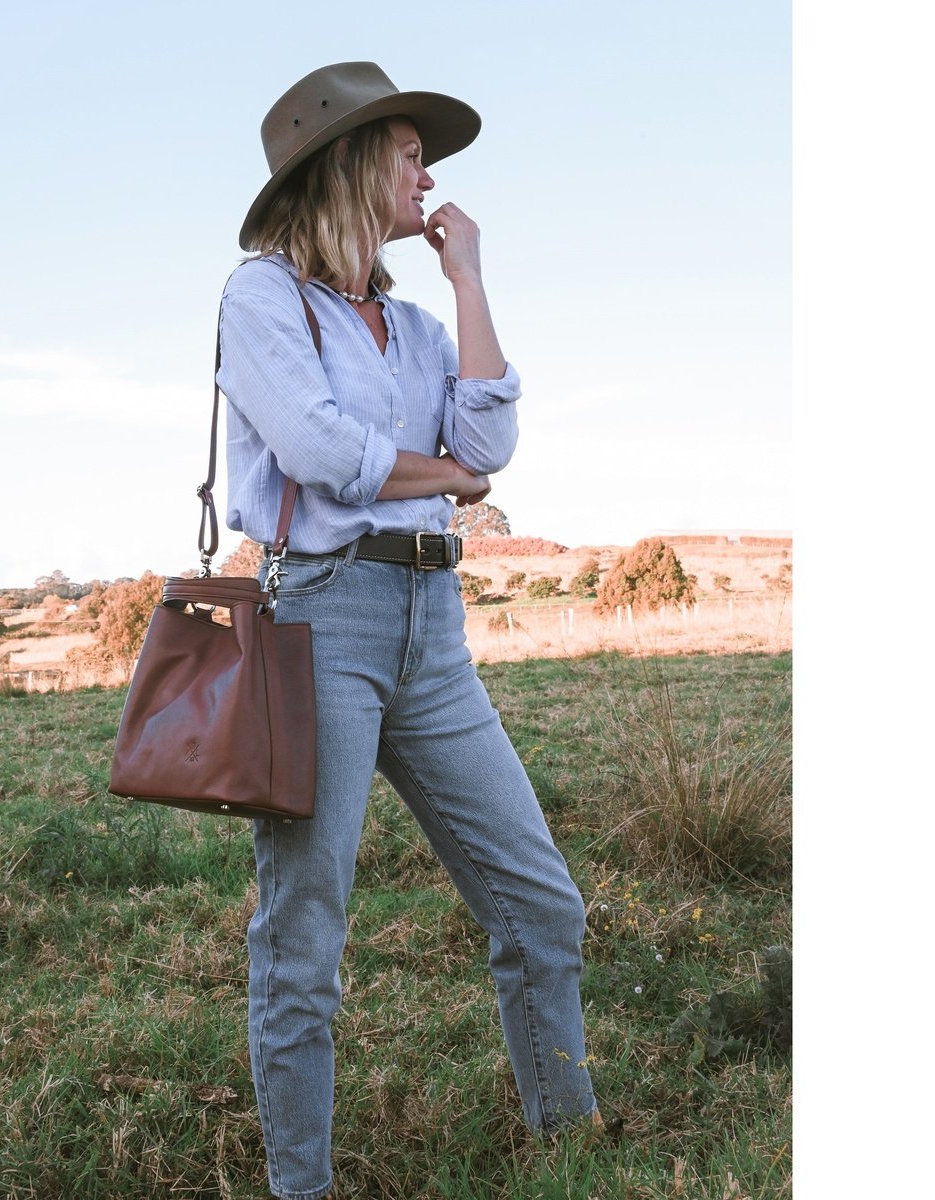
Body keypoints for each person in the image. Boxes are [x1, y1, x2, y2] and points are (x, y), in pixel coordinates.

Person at [215, 62, 597, 1200]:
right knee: (305, 937)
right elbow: (321, 449)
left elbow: (491, 439)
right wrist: (451, 479)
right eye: (409, 153)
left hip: (435, 626)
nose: (428, 174)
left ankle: (569, 1150)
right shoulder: (262, 297)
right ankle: (303, 1186)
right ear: (350, 163)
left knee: (540, 903)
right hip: (321, 618)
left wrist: (470, 278)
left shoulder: (423, 323)